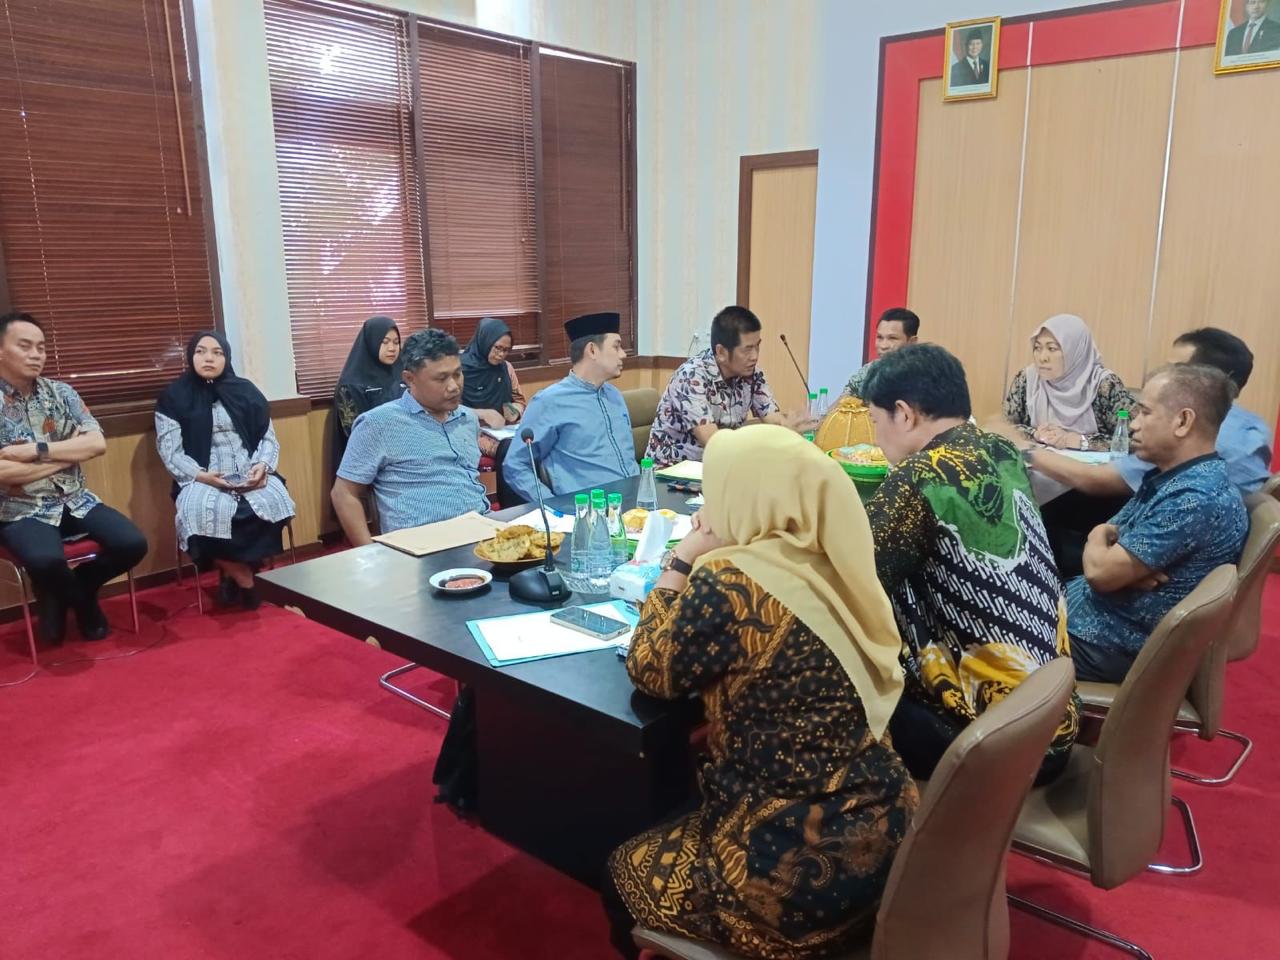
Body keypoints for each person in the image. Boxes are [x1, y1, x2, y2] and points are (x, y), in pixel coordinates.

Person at [604, 426, 917, 960]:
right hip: (890, 838)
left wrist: (681, 559)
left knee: (620, 871)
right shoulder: (833, 560)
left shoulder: (732, 582)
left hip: (793, 879)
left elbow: (651, 669)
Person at [861, 344, 1078, 782]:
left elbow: (851, 583)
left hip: (990, 743)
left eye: (875, 420)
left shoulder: (919, 478)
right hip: (1051, 720)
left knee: (827, 682)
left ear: (904, 414)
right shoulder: (1001, 451)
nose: (876, 436)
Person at [1022, 328, 1271, 576]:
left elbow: (1097, 484)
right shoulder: (1252, 428)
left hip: (1176, 554)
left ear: (1204, 379)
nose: (1134, 425)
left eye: (1176, 369)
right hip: (1182, 547)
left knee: (1036, 521)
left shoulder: (1192, 463)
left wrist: (1027, 451)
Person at [1065, 364, 1248, 684]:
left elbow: (1100, 573)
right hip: (1092, 619)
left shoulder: (1194, 498)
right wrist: (1109, 549)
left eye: (1145, 413)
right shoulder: (1173, 478)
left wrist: (1098, 538)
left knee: (977, 627)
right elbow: (1112, 535)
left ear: (1183, 421)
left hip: (1105, 644)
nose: (1133, 424)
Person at [0, 311, 147, 642]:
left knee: (132, 544)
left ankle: (74, 588)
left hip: (75, 498)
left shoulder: (61, 393)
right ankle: (83, 604)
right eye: (25, 346)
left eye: (41, 347)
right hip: (20, 508)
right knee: (45, 561)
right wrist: (65, 456)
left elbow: (96, 444)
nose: (36, 354)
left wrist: (36, 450)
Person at [156, 332, 296, 610]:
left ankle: (232, 574)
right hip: (201, 477)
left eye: (217, 352)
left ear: (227, 357)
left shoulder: (245, 390)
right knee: (196, 513)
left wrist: (262, 466)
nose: (208, 358)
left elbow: (267, 438)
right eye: (201, 351)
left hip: (249, 471)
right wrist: (201, 476)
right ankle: (245, 578)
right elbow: (171, 451)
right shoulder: (174, 397)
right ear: (191, 356)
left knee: (274, 501)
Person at [332, 329, 489, 545]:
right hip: (421, 544)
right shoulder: (379, 423)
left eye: (457, 374)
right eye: (441, 378)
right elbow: (343, 494)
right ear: (409, 378)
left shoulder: (467, 419)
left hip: (480, 530)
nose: (454, 386)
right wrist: (369, 553)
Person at [502, 312, 638, 503]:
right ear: (592, 350)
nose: (623, 354)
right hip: (590, 510)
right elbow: (515, 465)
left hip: (637, 503)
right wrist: (553, 505)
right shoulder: (550, 402)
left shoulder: (614, 396)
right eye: (616, 346)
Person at [643, 305, 791, 467]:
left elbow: (774, 420)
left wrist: (790, 427)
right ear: (721, 352)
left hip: (717, 466)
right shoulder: (691, 377)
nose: (755, 356)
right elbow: (713, 441)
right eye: (747, 349)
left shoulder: (752, 374)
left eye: (757, 346)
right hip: (671, 472)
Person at [998, 313, 1133, 451]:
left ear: (1075, 351)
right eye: (1037, 348)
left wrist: (1079, 441)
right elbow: (1001, 428)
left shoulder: (1104, 385)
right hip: (1038, 461)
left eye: (1052, 349)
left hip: (1088, 465)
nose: (1042, 358)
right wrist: (1035, 434)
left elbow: (1136, 442)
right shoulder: (1027, 380)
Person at [331, 316, 405, 479]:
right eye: (384, 342)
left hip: (405, 453)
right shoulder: (350, 385)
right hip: (367, 464)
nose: (392, 348)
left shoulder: (403, 376)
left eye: (396, 342)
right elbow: (356, 434)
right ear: (371, 343)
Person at [460, 316, 527, 458]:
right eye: (497, 348)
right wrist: (482, 414)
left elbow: (519, 401)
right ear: (485, 341)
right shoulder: (458, 370)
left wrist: (514, 411)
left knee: (534, 444)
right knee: (510, 451)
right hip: (470, 430)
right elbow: (447, 409)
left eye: (506, 350)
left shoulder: (506, 368)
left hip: (504, 428)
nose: (501, 354)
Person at [843, 307, 920, 401]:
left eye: (892, 338)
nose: (883, 346)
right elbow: (841, 404)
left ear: (912, 342)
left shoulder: (924, 377)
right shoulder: (869, 370)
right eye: (880, 337)